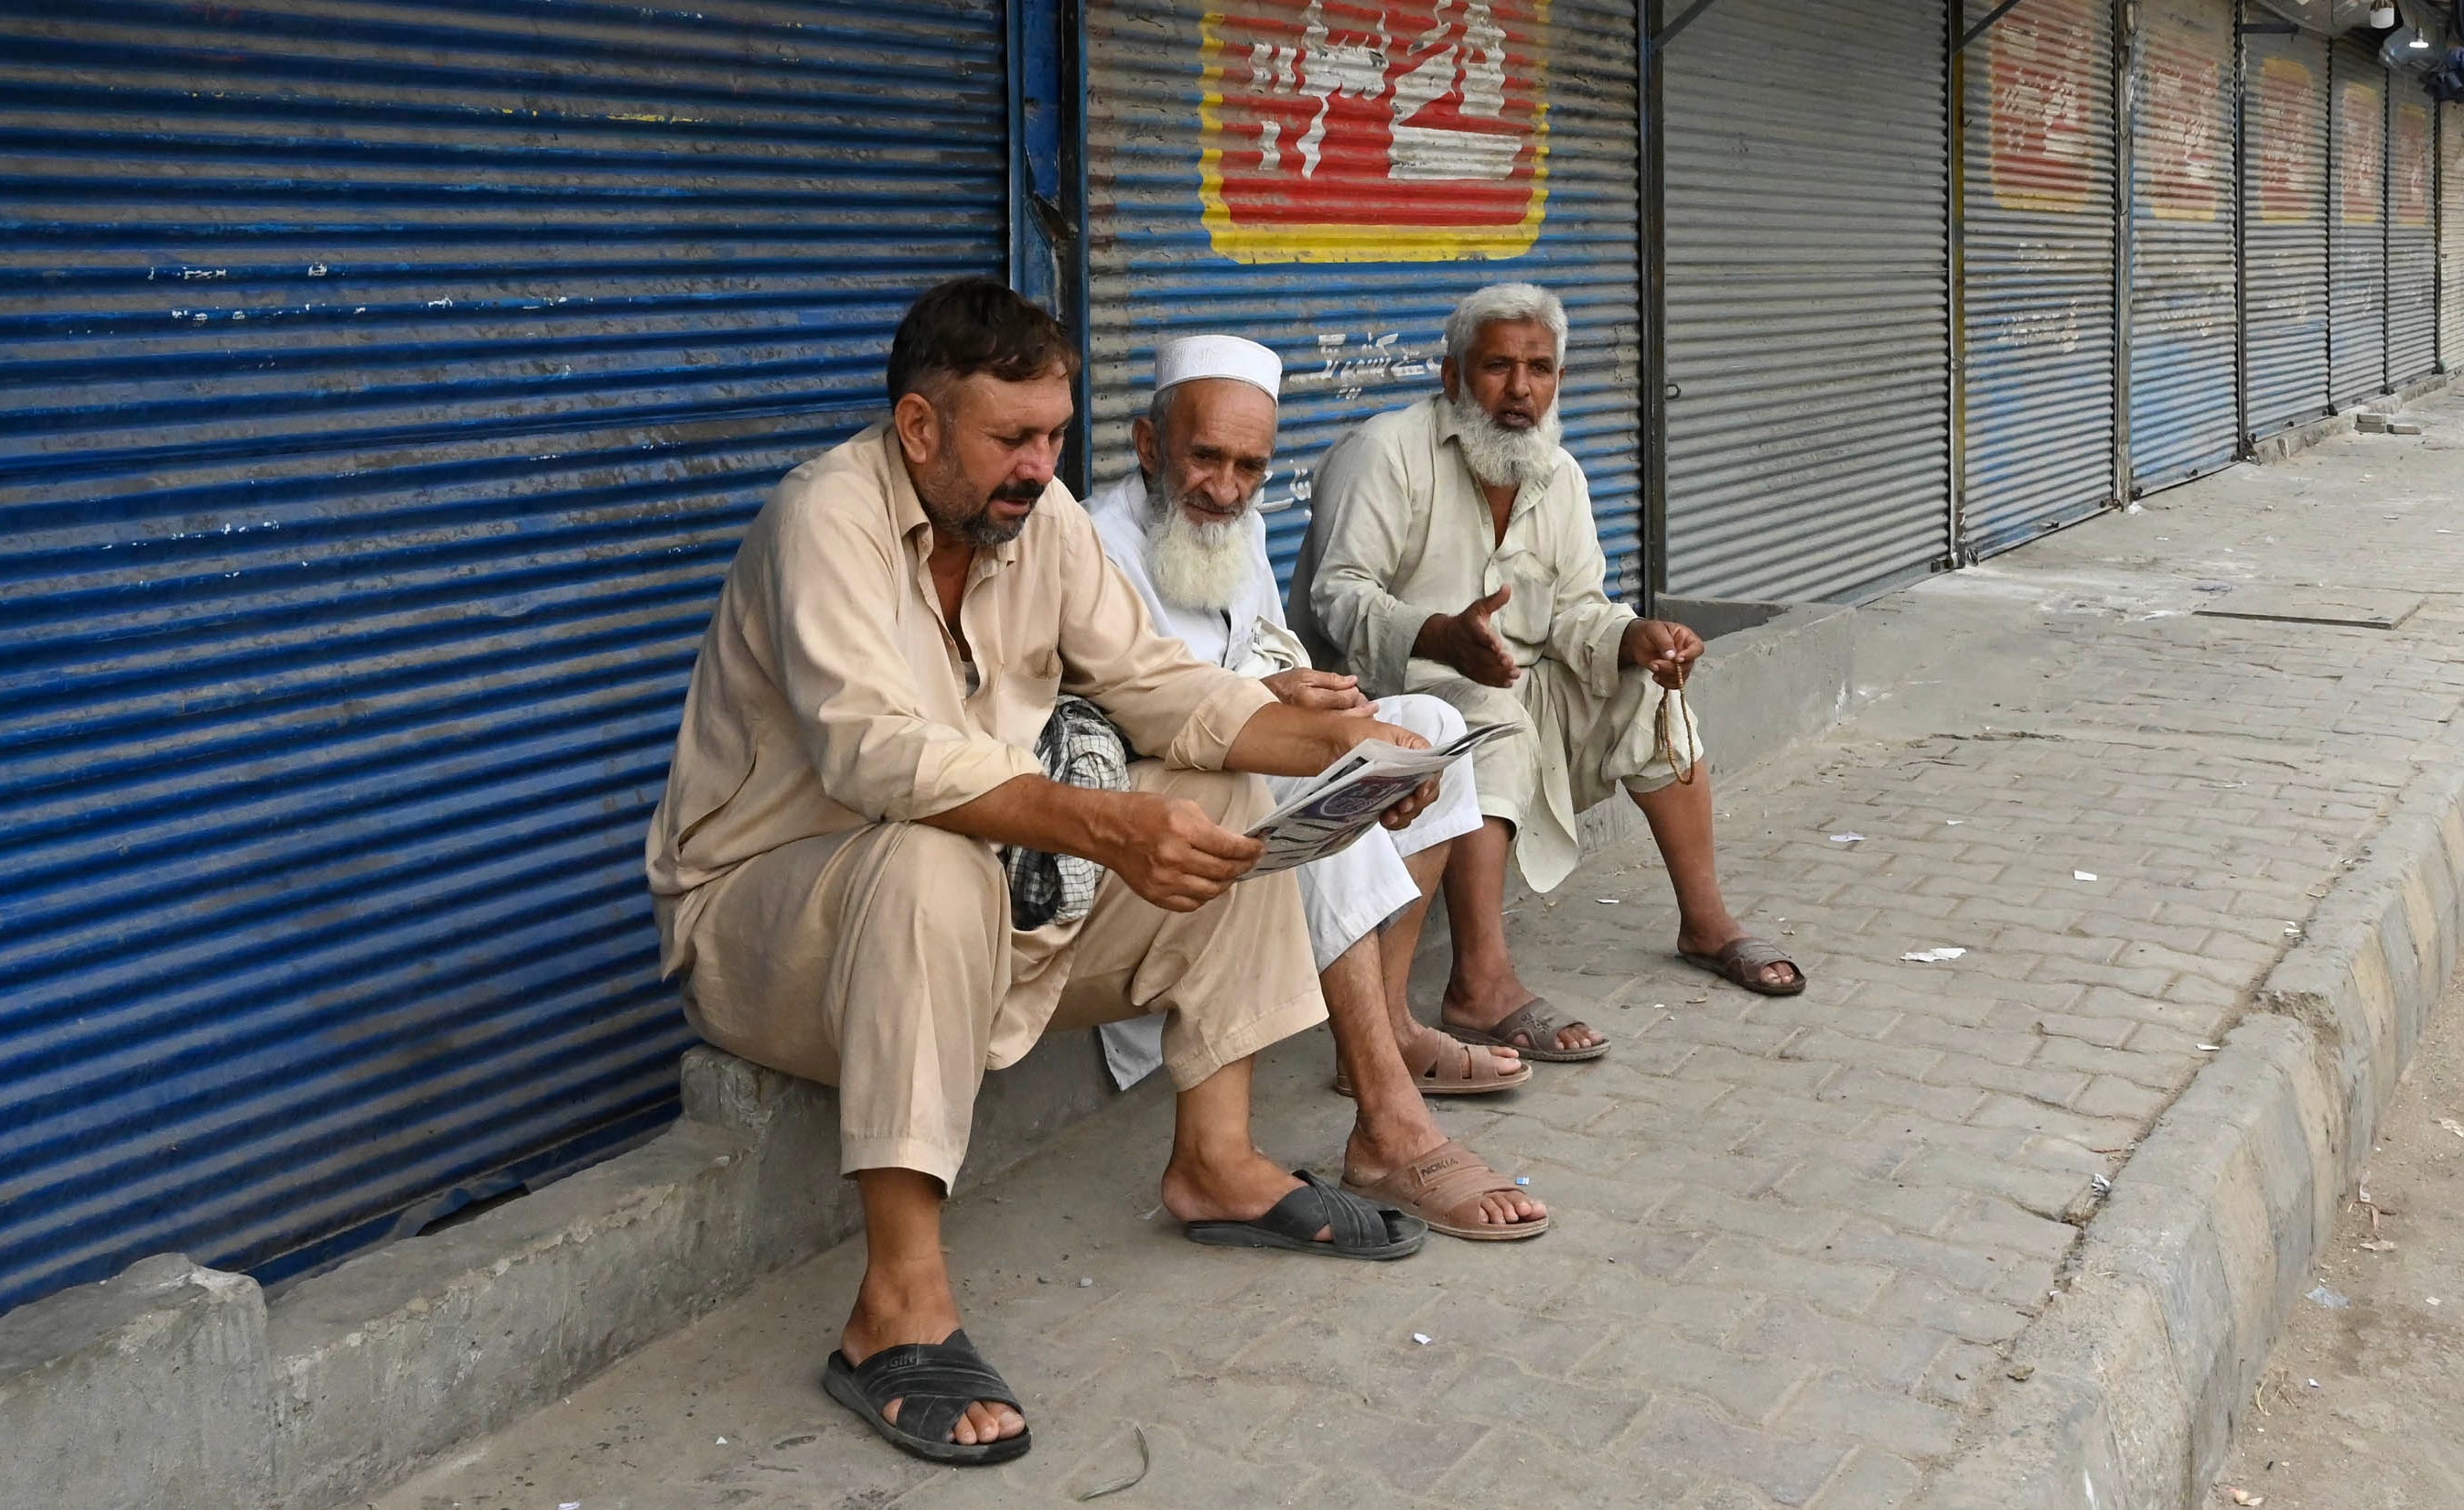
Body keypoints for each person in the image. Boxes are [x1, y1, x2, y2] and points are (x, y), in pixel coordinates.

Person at [647, 280, 1446, 1469]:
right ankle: (893, 1314)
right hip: (766, 927)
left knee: (1224, 795)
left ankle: (1218, 1163)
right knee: (929, 860)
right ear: (919, 428)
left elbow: (1160, 690)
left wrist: (1341, 743)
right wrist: (1102, 823)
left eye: (1055, 436)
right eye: (1011, 438)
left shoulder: (1041, 521)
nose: (1039, 464)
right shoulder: (826, 518)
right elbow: (879, 752)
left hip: (988, 895)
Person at [1088, 335, 1547, 1243]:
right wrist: (1269, 706)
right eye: (1205, 458)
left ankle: (1388, 1031)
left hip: (1240, 772)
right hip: (1154, 826)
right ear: (1149, 446)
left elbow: (1263, 652)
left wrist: (1320, 698)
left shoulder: (1238, 528)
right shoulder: (1090, 545)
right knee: (1283, 775)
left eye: (1250, 466)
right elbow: (1110, 720)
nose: (1225, 488)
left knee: (1432, 728)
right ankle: (1387, 1119)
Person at [1290, 281, 1801, 1067]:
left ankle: (1706, 924)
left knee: (1646, 691)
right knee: (1484, 716)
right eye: (1497, 366)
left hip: (1512, 683)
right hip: (1389, 693)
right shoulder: (1385, 452)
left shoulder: (1557, 473)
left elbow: (1576, 610)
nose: (1520, 390)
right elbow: (1337, 597)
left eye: (1540, 368)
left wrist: (1636, 636)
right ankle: (1479, 984)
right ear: (1452, 376)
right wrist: (1440, 635)